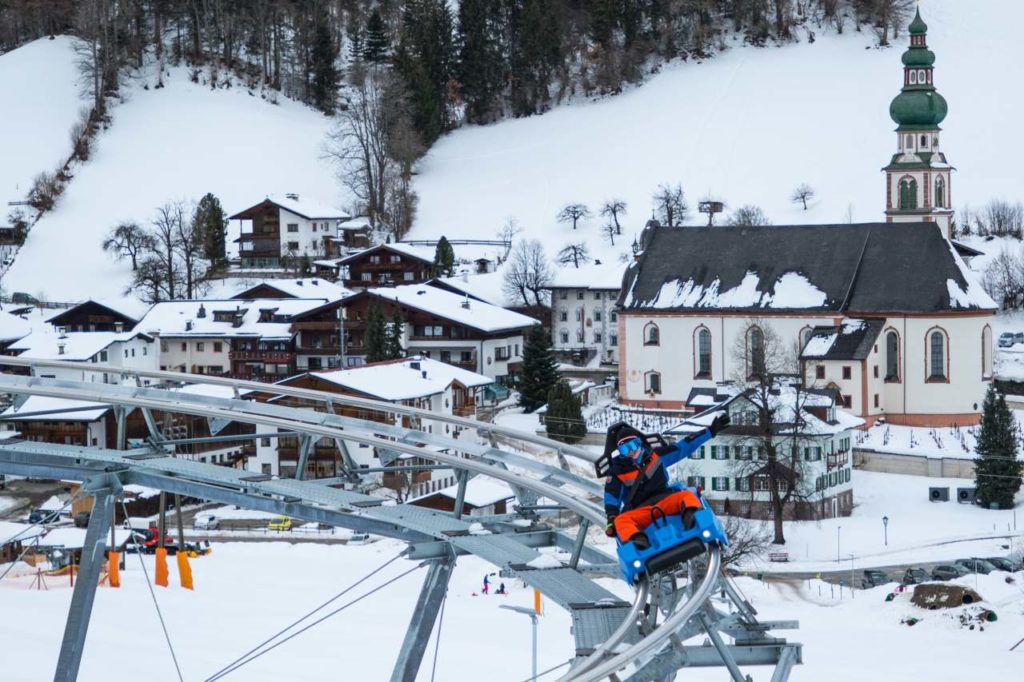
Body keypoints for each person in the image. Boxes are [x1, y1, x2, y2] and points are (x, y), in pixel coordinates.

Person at [603, 415, 729, 549]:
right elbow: (611, 497)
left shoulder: (656, 457)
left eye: (633, 445)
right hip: (641, 511)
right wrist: (612, 517)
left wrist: (710, 431)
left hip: (666, 501)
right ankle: (638, 541)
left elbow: (683, 447)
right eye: (625, 449)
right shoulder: (617, 471)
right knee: (621, 520)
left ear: (639, 443)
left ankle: (691, 518)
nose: (631, 452)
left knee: (687, 496)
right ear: (620, 452)